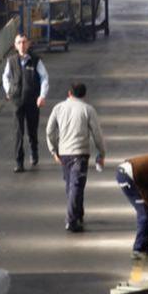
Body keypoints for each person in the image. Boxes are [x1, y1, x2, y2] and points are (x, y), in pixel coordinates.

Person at [46, 82, 107, 233]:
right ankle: (72, 220)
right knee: (76, 186)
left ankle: (78, 214)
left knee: (71, 185)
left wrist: (53, 150)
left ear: (69, 93)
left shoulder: (58, 108)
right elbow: (97, 134)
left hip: (64, 153)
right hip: (80, 153)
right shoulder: (88, 109)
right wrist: (102, 153)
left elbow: (49, 130)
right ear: (84, 95)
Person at [2, 33, 49, 173]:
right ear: (15, 46)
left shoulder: (35, 61)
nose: (22, 45)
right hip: (17, 101)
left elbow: (44, 78)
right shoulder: (11, 61)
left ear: (28, 44)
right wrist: (9, 90)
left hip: (33, 101)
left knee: (32, 130)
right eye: (19, 43)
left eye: (24, 42)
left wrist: (42, 96)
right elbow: (6, 77)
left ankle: (34, 151)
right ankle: (19, 161)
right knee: (18, 132)